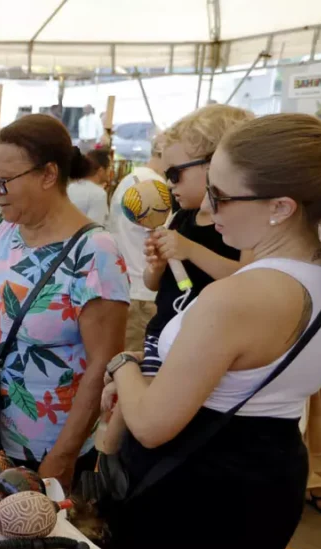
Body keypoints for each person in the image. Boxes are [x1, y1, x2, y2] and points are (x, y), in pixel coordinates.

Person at [102, 113, 321, 549]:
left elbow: (153, 424)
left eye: (220, 195)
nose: (209, 206)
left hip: (189, 484)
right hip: (268, 471)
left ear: (280, 207)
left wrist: (124, 367)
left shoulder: (238, 298)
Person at [0, 114, 129, 486]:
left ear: (48, 175)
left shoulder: (95, 253)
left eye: (3, 180)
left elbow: (103, 363)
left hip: (44, 448)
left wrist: (63, 455)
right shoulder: (6, 231)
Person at [140, 105, 252, 376]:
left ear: (217, 164)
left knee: (149, 411)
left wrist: (190, 250)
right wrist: (155, 267)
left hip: (205, 342)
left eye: (175, 174)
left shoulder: (244, 225)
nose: (169, 185)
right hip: (162, 330)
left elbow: (248, 279)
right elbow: (155, 284)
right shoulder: (179, 218)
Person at [106, 135, 168, 351]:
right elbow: (164, 236)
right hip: (142, 290)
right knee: (137, 360)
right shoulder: (153, 187)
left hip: (127, 283)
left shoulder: (131, 179)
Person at [67, 148, 110, 223]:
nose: (111, 171)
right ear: (101, 171)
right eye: (110, 167)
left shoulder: (70, 187)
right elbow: (95, 228)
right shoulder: (98, 194)